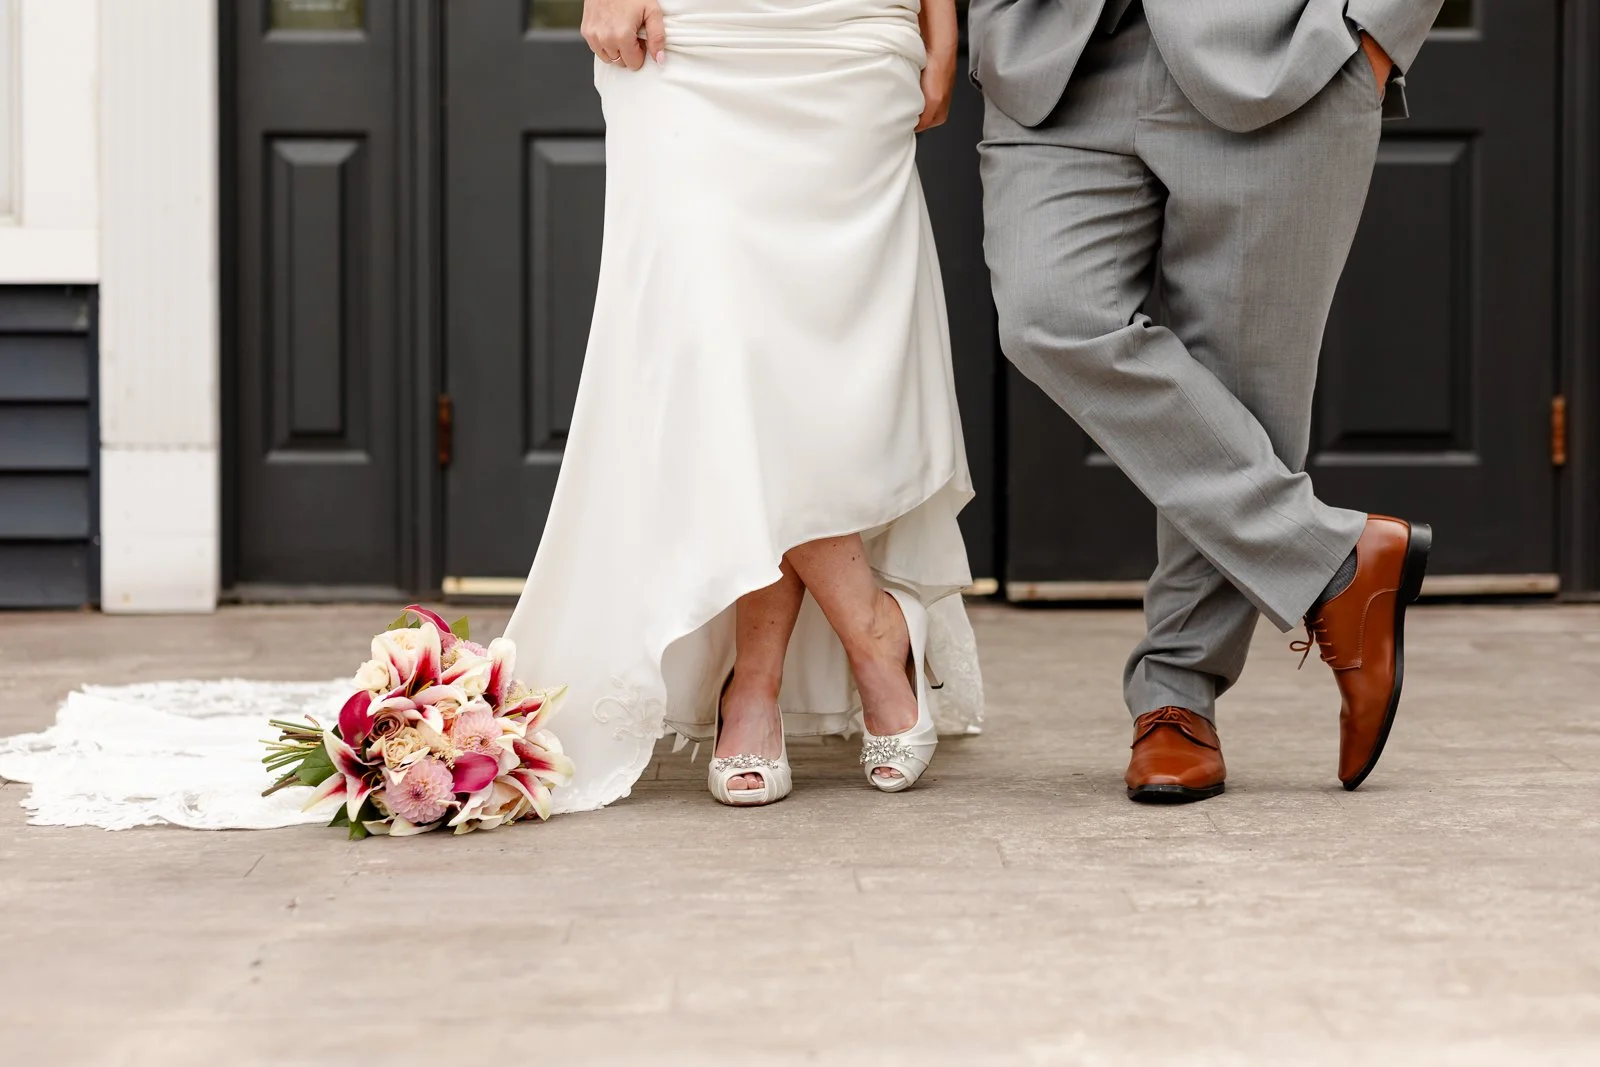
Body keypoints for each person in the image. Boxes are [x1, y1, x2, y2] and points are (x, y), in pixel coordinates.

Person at [500, 0, 986, 812]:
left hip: (847, 33)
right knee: (724, 344)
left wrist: (946, 25)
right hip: (691, 32)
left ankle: (753, 682)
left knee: (801, 358)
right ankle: (872, 631)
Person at [969, 0, 1443, 801]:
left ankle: (1177, 697)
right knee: (1048, 316)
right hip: (1053, 56)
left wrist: (1375, 35)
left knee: (1246, 387)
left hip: (1283, 55)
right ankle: (1332, 559)